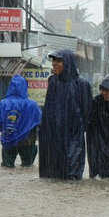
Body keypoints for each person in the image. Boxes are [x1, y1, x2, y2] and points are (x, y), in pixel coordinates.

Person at [39, 49, 91, 180]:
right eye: (53, 60)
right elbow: (48, 109)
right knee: (51, 177)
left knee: (71, 178)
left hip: (73, 140)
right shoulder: (52, 82)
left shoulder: (82, 84)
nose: (54, 64)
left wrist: (75, 130)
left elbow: (88, 114)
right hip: (53, 139)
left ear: (68, 63)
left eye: (58, 61)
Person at [0, 74, 41, 168]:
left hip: (8, 139)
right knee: (28, 167)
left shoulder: (4, 103)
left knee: (7, 168)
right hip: (28, 140)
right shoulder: (32, 105)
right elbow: (41, 122)